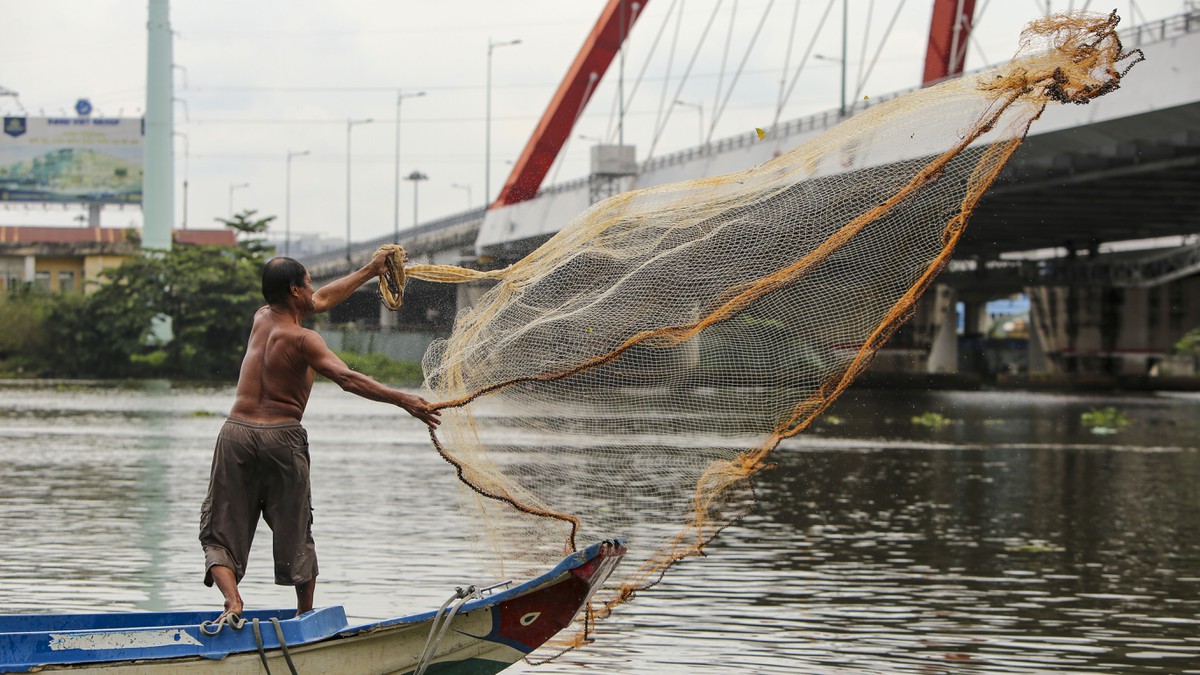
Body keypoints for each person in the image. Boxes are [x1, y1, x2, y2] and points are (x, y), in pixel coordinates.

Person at [199, 248, 440, 623]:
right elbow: (346, 378)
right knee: (296, 527)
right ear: (295, 290)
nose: (314, 289)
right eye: (308, 282)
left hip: (236, 433)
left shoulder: (261, 318)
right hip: (281, 435)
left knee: (222, 526)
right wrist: (404, 399)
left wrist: (372, 270)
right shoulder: (304, 340)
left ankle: (232, 603)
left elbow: (322, 299)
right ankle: (304, 616)